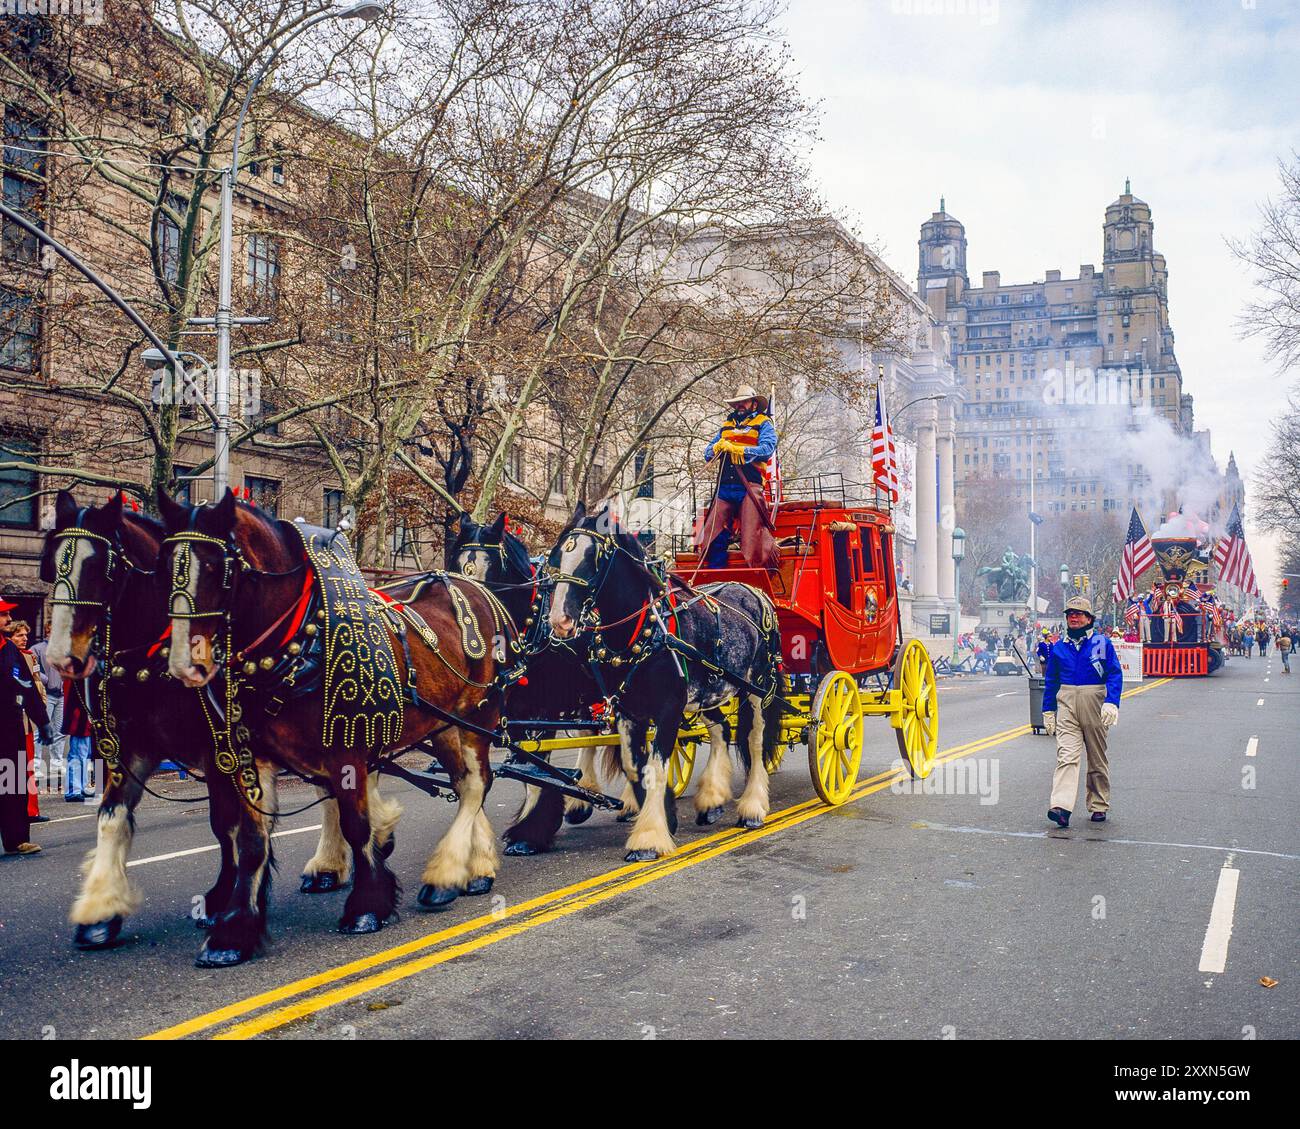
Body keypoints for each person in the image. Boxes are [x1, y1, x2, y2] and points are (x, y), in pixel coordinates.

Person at [1042, 595, 1123, 828]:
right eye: (1070, 614)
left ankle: (1098, 803)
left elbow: (1114, 673)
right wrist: (1048, 710)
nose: (1074, 617)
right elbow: (1052, 681)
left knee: (1096, 757)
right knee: (1066, 756)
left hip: (1094, 702)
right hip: (1067, 703)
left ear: (1089, 618)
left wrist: (1111, 701)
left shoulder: (1101, 643)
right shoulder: (1059, 647)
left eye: (1079, 614)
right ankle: (1061, 807)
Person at [695, 385, 779, 570]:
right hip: (725, 487)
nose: (740, 405)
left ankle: (757, 573)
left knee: (751, 535)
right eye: (737, 402)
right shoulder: (726, 426)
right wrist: (716, 448)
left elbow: (767, 449)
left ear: (754, 404)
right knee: (712, 532)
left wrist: (741, 450)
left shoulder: (763, 423)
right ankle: (716, 574)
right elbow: (707, 452)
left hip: (749, 485)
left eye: (744, 402)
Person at [0, 598, 53, 855]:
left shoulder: (10, 650)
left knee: (13, 782)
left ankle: (17, 839)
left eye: (8, 614)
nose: (8, 619)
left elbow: (28, 690)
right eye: (3, 615)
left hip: (10, 728)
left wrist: (42, 721)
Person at [3, 620, 47, 824]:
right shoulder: (12, 653)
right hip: (14, 716)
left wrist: (41, 715)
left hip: (23, 717)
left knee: (22, 770)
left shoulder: (25, 654)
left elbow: (33, 684)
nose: (24, 639)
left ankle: (27, 815)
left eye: (25, 635)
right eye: (19, 635)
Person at [31, 627, 66, 781]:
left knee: (60, 730)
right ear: (47, 632)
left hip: (61, 694)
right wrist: (47, 681)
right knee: (40, 730)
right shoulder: (37, 649)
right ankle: (36, 765)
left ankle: (56, 763)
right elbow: (33, 669)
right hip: (46, 693)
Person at [61, 677, 95, 802]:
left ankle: (81, 787)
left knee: (85, 755)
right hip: (79, 715)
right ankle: (73, 790)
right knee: (77, 754)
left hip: (85, 716)